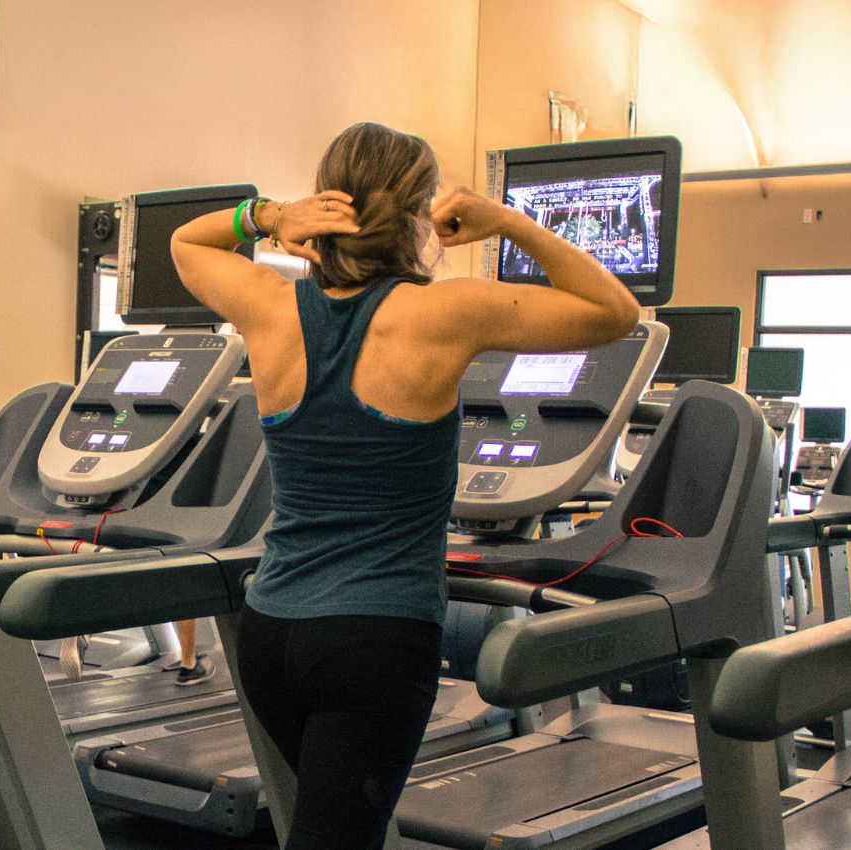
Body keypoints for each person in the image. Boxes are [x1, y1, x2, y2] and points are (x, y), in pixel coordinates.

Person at [170, 121, 639, 849]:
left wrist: (268, 216)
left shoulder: (270, 304)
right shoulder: (445, 312)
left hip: (272, 634)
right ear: (419, 214)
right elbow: (615, 312)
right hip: (375, 640)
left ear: (328, 204)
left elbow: (186, 244)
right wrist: (507, 222)